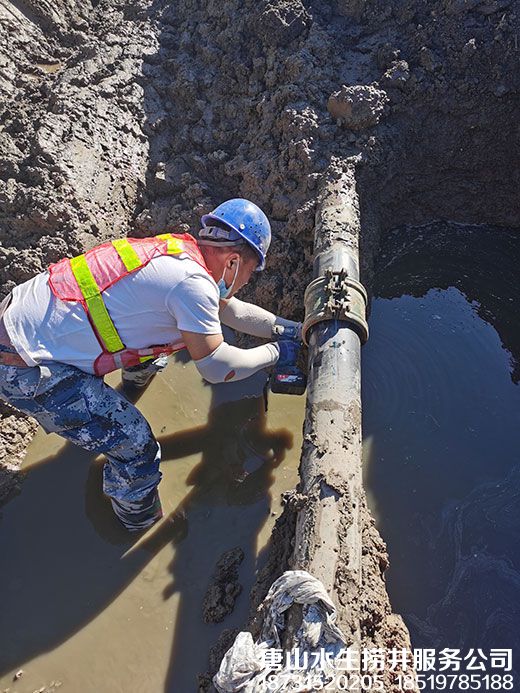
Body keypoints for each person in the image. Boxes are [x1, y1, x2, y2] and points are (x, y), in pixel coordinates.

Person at [0, 199, 301, 531]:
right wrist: (275, 353)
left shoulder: (182, 255)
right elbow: (217, 367)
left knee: (150, 359)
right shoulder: (193, 284)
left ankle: (117, 402)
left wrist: (290, 330)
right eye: (249, 273)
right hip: (24, 366)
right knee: (136, 445)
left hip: (21, 323)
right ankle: (135, 522)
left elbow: (230, 310)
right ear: (233, 261)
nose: (246, 282)